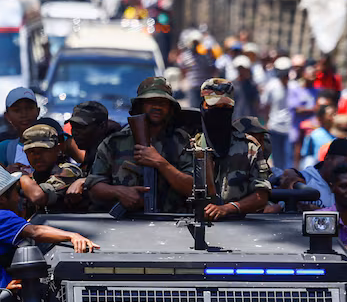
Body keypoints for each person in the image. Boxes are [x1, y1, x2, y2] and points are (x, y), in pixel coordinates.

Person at [0, 166, 98, 288]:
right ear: (2, 199)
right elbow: (35, 231)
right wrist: (71, 236)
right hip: (2, 289)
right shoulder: (0, 216)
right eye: (15, 192)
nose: (18, 197)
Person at [86, 76, 195, 213]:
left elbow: (193, 188)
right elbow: (93, 186)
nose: (157, 107)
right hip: (125, 221)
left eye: (163, 103)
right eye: (151, 102)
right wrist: (119, 192)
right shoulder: (115, 142)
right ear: (140, 106)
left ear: (170, 108)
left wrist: (161, 163)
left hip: (171, 220)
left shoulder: (181, 141)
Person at [188, 78, 272, 220]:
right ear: (203, 106)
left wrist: (228, 208)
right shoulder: (188, 145)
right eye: (214, 106)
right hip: (190, 224)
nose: (219, 112)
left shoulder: (249, 147)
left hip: (237, 225)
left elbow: (261, 195)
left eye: (225, 107)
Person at [16, 124, 86, 214]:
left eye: (44, 150)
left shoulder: (69, 171)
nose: (37, 156)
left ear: (57, 150)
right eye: (32, 152)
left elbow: (38, 197)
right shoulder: (32, 178)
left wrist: (22, 177)